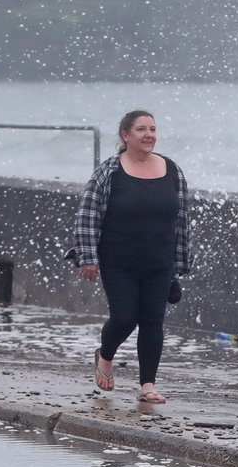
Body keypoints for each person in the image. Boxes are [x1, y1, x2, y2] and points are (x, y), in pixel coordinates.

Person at [65, 110, 192, 404]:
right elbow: (87, 214)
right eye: (141, 129)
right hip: (118, 260)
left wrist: (180, 263)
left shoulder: (172, 169)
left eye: (153, 129)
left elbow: (182, 218)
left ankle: (148, 385)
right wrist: (87, 256)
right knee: (124, 317)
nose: (149, 134)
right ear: (125, 135)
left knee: (153, 321)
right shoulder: (109, 171)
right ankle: (105, 355)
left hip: (159, 261)